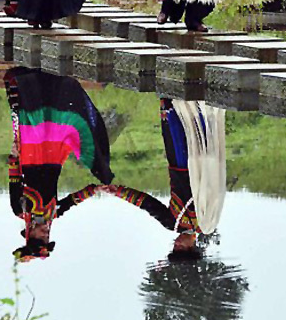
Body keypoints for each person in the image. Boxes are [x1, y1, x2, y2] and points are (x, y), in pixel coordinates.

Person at [57, 98, 227, 260]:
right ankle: (199, 100)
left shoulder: (172, 223)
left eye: (175, 248)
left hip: (177, 166)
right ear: (191, 247)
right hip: (201, 166)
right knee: (199, 132)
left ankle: (170, 97)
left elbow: (146, 203)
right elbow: (215, 190)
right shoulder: (206, 222)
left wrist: (120, 192)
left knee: (172, 125)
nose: (177, 244)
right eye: (180, 248)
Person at [4, 67, 114, 261]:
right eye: (47, 238)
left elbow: (14, 181)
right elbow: (73, 200)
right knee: (59, 123)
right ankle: (55, 85)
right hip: (54, 158)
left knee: (34, 119)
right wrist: (95, 189)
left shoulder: (20, 209)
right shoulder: (53, 213)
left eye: (41, 238)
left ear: (30, 234)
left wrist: (14, 156)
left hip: (31, 157)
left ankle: (27, 83)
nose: (45, 235)